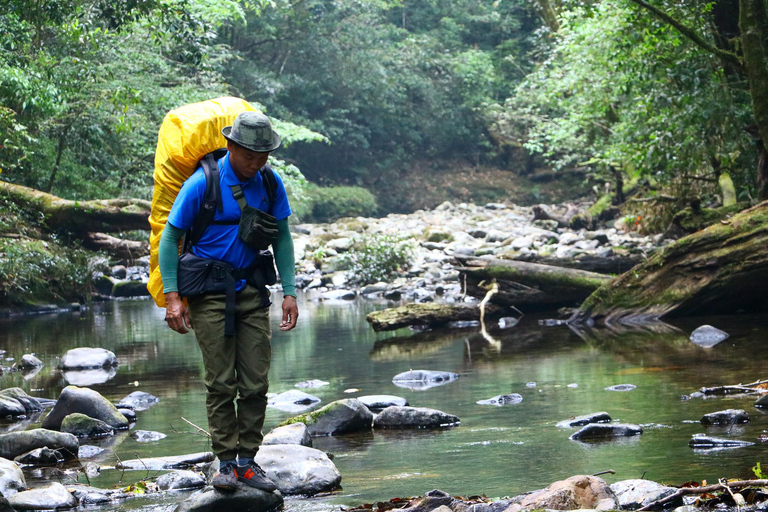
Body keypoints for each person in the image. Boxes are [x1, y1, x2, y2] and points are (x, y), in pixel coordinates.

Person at [158, 111, 298, 492]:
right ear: (231, 147)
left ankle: (248, 462)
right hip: (208, 295)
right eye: (249, 155)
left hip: (252, 291)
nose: (256, 163)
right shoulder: (202, 184)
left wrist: (289, 291)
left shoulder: (269, 182)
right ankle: (225, 464)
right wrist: (173, 297)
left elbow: (282, 237)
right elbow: (170, 238)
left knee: (255, 383)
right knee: (221, 383)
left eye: (262, 156)